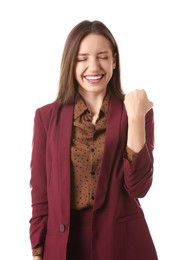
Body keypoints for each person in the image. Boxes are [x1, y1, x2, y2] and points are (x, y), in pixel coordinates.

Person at [29, 20, 158, 260]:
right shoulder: (46, 117)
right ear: (70, 63)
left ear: (114, 61)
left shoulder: (137, 112)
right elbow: (40, 194)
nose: (93, 66)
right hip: (64, 245)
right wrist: (38, 249)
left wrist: (137, 117)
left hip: (122, 243)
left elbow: (138, 187)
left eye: (102, 56)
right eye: (82, 58)